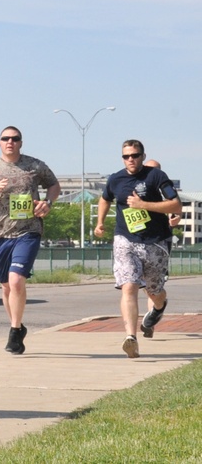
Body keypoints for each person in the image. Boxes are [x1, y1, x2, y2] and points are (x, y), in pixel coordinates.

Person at [0, 126, 60, 355]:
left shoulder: (34, 166)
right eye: (5, 139)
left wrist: (47, 202)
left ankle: (15, 330)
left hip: (28, 231)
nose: (10, 142)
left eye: (15, 139)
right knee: (6, 286)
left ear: (21, 142)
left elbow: (54, 185)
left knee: (17, 281)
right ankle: (16, 326)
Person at [94, 141, 181, 359]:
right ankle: (131, 337)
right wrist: (100, 222)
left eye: (135, 155)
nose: (130, 159)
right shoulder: (116, 179)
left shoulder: (156, 177)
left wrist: (144, 205)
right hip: (126, 239)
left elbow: (176, 205)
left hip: (155, 241)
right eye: (126, 156)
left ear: (143, 156)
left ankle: (159, 307)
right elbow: (104, 199)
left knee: (154, 292)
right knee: (129, 286)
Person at [143, 160, 182, 230]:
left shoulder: (166, 187)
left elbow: (177, 205)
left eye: (155, 170)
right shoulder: (137, 185)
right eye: (148, 169)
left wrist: (177, 217)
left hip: (160, 230)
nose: (152, 173)